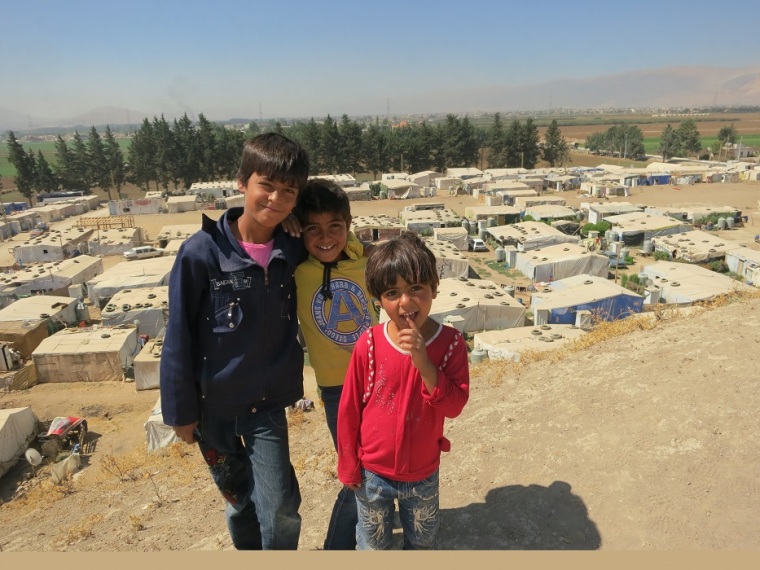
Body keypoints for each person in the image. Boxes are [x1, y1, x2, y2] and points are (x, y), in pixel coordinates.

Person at [159, 132, 310, 550]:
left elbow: (331, 235)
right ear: (242, 182)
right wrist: (180, 412)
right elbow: (178, 338)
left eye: (288, 192)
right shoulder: (200, 253)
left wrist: (301, 220)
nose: (275, 199)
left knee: (280, 504)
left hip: (267, 405)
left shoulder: (291, 248)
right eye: (267, 185)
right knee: (239, 499)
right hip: (213, 412)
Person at [337, 232, 470, 550]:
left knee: (422, 544)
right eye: (392, 292)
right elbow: (350, 409)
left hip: (423, 474)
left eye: (415, 288)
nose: (406, 302)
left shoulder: (450, 344)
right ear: (378, 299)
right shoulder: (368, 343)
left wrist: (425, 363)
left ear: (434, 289)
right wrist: (348, 465)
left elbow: (454, 406)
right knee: (373, 546)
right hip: (373, 475)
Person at [291, 178, 378, 550]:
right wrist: (284, 226)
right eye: (313, 228)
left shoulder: (369, 261)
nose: (325, 237)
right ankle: (338, 547)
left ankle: (364, 536)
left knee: (377, 465)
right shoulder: (294, 268)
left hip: (380, 379)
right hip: (336, 390)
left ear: (348, 224)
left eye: (335, 227)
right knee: (355, 471)